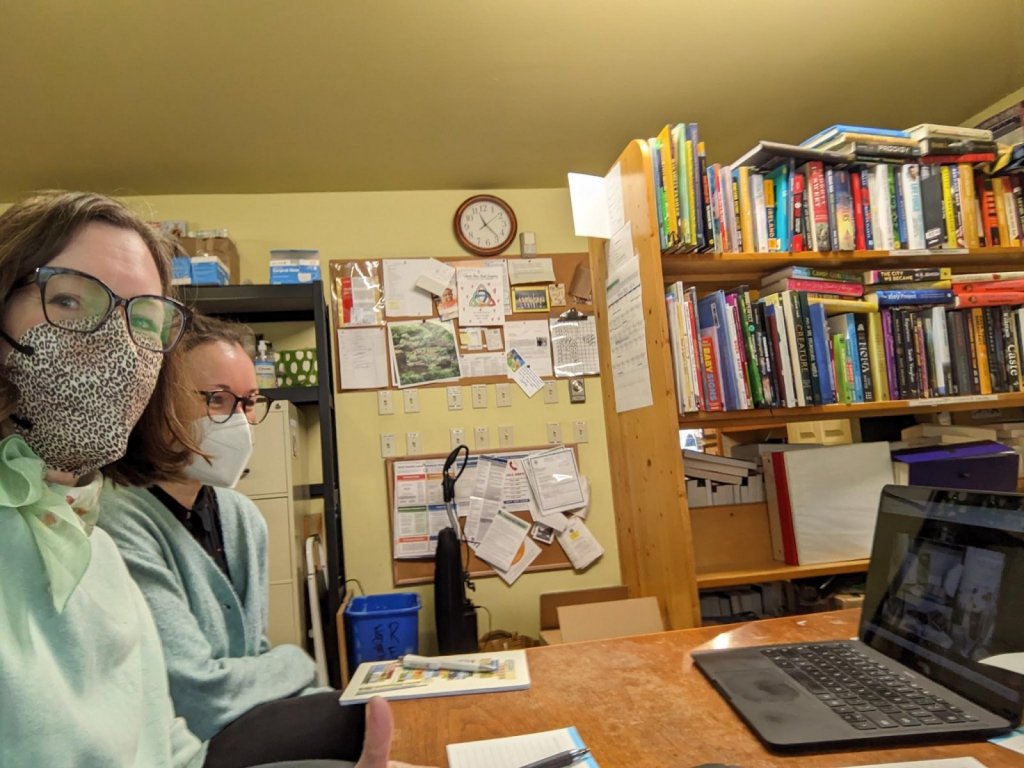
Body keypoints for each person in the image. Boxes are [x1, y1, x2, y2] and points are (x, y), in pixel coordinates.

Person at [0, 190, 425, 768]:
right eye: (71, 300)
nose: (120, 351)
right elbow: (200, 693)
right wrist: (295, 667)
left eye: (143, 322)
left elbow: (169, 749)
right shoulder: (113, 529)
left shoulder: (90, 545)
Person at [99, 314, 371, 763]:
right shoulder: (117, 520)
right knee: (360, 721)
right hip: (180, 747)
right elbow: (193, 694)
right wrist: (297, 664)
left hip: (245, 722)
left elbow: (252, 658)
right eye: (218, 400)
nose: (240, 421)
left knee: (371, 713)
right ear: (157, 402)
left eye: (248, 402)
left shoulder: (241, 517)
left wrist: (285, 680)